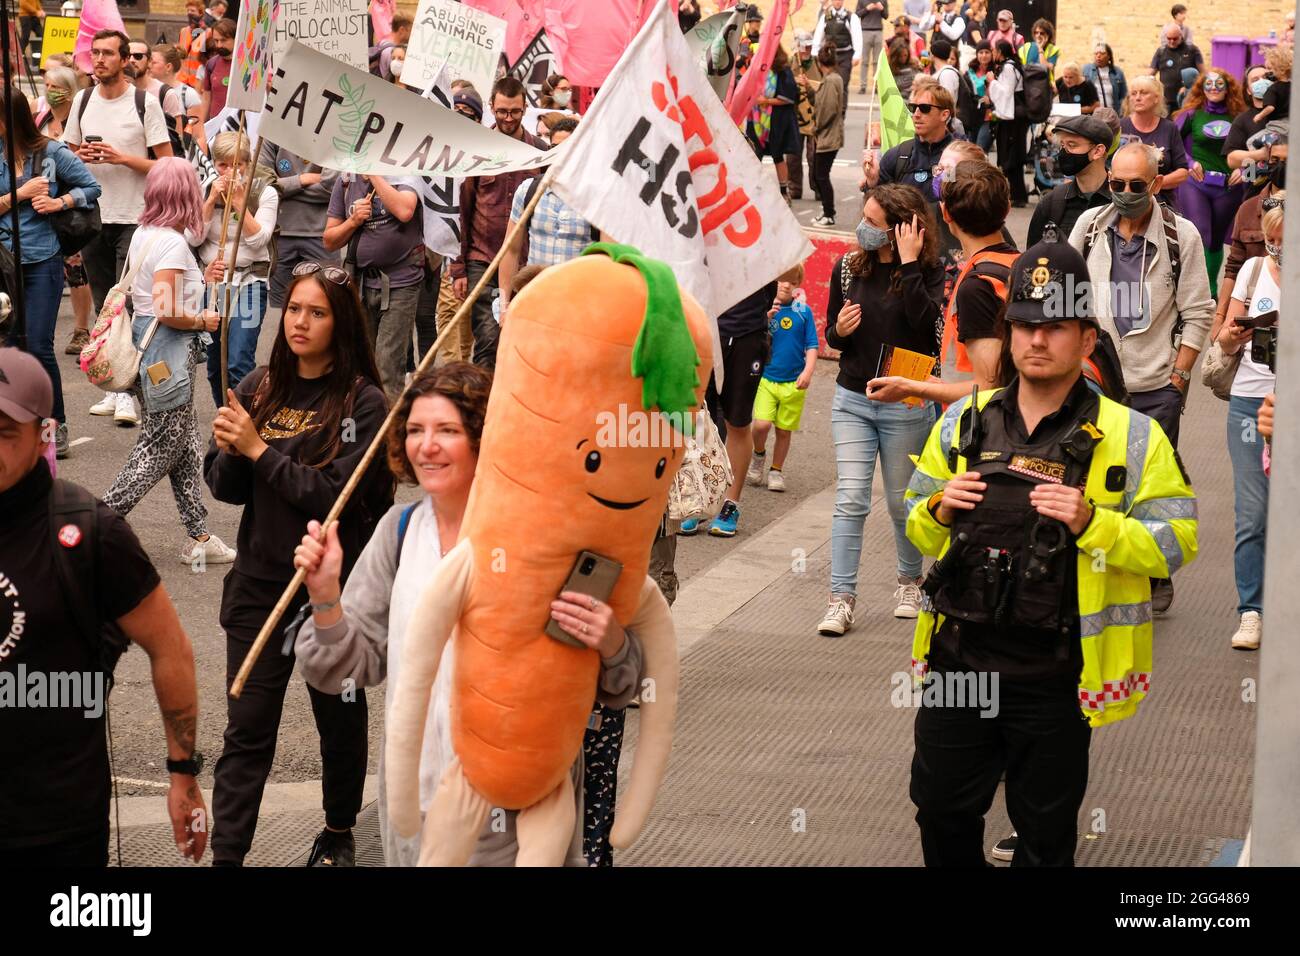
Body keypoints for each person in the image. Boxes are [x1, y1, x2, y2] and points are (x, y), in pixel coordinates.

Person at [904, 240, 1198, 867]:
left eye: (1054, 327)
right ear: (1009, 336)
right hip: (960, 665)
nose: (1037, 341)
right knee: (941, 811)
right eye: (1025, 326)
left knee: (1044, 835)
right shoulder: (963, 420)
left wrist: (1098, 525)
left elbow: (1176, 544)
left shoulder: (1132, 435)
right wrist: (937, 509)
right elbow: (917, 526)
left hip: (1057, 678)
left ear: (1087, 340)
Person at [293, 362, 647, 866]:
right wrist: (325, 596)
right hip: (417, 806)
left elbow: (621, 681)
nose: (426, 446)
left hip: (519, 811)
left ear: (485, 439)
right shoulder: (400, 532)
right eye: (415, 430)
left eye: (447, 431)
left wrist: (610, 640)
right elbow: (348, 670)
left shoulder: (543, 537)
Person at [204, 263, 394, 867]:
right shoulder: (262, 385)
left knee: (337, 728)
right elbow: (224, 487)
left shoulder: (365, 402)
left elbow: (329, 497)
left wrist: (258, 450)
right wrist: (233, 448)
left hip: (327, 600)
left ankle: (339, 835)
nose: (301, 323)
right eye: (294, 310)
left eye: (317, 312)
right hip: (258, 591)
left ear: (341, 323)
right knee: (246, 734)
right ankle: (226, 857)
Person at [0, 347, 210, 866]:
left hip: (56, 825)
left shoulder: (91, 533)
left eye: (5, 432)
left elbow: (172, 650)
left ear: (44, 433)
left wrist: (182, 774)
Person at [1070, 142, 1215, 612]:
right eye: (1117, 184)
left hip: (1156, 385)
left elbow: (1198, 313)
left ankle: (1156, 573)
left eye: (1137, 185)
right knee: (1092, 476)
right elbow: (1062, 297)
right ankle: (1094, 567)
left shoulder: (1182, 235)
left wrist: (1177, 379)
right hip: (1094, 383)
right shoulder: (1088, 228)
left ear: (1155, 184)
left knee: (1150, 485)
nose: (1126, 193)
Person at [817, 184, 943, 637]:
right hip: (852, 398)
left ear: (902, 230)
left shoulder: (929, 270)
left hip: (905, 399)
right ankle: (841, 598)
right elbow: (832, 336)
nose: (863, 229)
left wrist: (909, 263)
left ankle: (909, 582)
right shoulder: (849, 267)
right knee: (850, 497)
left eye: (873, 223)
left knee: (899, 501)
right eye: (864, 218)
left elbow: (926, 328)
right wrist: (840, 330)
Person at [100, 158, 232, 561]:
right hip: (168, 355)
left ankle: (201, 537)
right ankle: (96, 522)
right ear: (185, 194)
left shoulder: (147, 232)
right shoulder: (173, 243)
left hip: (151, 351)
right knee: (159, 449)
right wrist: (203, 319)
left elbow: (157, 293)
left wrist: (203, 278)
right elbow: (165, 308)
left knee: (186, 446)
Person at [64, 29, 174, 428]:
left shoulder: (144, 103)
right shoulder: (83, 99)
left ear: (125, 59)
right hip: (94, 216)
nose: (99, 59)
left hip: (135, 218)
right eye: (95, 53)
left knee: (127, 305)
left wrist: (122, 158)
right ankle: (115, 387)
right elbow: (66, 153)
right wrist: (84, 154)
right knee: (102, 303)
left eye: (108, 53)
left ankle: (129, 392)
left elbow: (166, 164)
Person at [0, 86, 100, 459]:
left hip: (42, 259)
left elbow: (92, 187)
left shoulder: (51, 152)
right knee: (9, 347)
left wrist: (60, 200)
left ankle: (54, 424)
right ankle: (15, 425)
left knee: (38, 345)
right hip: (3, 263)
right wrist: (20, 195)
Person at [868, 161, 1016, 407]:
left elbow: (988, 387)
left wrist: (911, 387)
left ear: (945, 213)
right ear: (1007, 209)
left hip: (981, 427)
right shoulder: (1018, 263)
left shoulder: (977, 287)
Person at [1209, 196, 1282, 652]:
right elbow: (1223, 338)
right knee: (1252, 513)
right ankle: (1251, 611)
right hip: (1249, 402)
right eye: (1272, 242)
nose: (1279, 250)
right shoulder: (1254, 272)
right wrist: (1233, 337)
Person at [449, 76, 545, 371]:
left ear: (524, 108)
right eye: (502, 111)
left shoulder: (540, 152)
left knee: (522, 342)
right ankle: (485, 411)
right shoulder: (476, 150)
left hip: (526, 265)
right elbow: (461, 211)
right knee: (488, 340)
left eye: (515, 112)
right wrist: (459, 267)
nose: (508, 118)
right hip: (483, 260)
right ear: (492, 107)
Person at [194, 131, 280, 409]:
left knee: (238, 360)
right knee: (215, 362)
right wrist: (210, 203)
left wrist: (240, 203)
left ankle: (246, 421)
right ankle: (224, 415)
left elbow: (259, 240)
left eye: (238, 164)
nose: (231, 171)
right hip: (215, 281)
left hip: (250, 280)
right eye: (223, 165)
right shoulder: (204, 188)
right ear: (214, 163)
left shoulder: (264, 192)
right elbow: (193, 238)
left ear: (247, 164)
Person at [324, 170, 424, 401]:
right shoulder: (346, 180)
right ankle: (367, 426)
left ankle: (389, 434)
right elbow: (329, 240)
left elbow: (405, 211)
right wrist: (353, 221)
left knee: (387, 366)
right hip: (360, 284)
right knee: (362, 364)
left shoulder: (404, 175)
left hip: (401, 282)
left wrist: (375, 175)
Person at [33, 67, 97, 359]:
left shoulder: (79, 117)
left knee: (75, 268)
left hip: (69, 203)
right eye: (46, 84)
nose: (50, 89)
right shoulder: (40, 119)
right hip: (41, 203)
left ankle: (82, 328)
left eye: (55, 85)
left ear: (69, 90)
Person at [499, 119, 591, 307]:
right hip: (535, 302)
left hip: (578, 307)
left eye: (568, 149)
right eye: (555, 148)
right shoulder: (528, 191)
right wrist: (504, 305)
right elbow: (511, 250)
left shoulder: (596, 198)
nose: (561, 156)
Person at [1173, 69, 1246, 297]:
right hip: (1197, 183)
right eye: (1209, 84)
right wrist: (1189, 162)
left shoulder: (1240, 117)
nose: (1214, 88)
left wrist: (1246, 170)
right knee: (1200, 233)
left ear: (1228, 88)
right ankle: (1198, 291)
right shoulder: (1191, 115)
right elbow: (1171, 141)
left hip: (1229, 187)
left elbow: (1260, 152)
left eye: (1219, 84)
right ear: (1202, 88)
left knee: (1216, 240)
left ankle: (1211, 288)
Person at [747, 264, 818, 493]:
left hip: (793, 382)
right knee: (761, 425)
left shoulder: (803, 311)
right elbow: (751, 338)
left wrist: (807, 372)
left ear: (797, 284)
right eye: (781, 279)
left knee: (784, 430)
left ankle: (776, 470)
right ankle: (758, 454)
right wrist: (765, 319)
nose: (786, 284)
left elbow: (812, 346)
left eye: (791, 281)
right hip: (766, 379)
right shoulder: (764, 309)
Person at [1027, 114, 1114, 247]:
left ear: (1098, 151)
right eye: (1062, 145)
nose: (1064, 152)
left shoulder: (1121, 200)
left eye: (1072, 145)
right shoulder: (1052, 203)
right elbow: (1033, 260)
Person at [862, 81, 954, 197]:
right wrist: (872, 182)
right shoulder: (896, 156)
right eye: (913, 108)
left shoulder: (960, 157)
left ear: (944, 115)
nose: (916, 114)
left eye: (924, 108)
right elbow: (879, 205)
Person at [1120, 75, 1189, 210]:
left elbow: (1182, 172)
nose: (1137, 97)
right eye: (1133, 94)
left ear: (1156, 98)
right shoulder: (1120, 127)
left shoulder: (1169, 128)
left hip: (1162, 203)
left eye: (1144, 93)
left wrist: (1152, 186)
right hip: (1124, 202)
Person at [748, 46, 801, 201]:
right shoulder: (759, 68)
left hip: (776, 121)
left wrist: (767, 101)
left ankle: (784, 191)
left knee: (777, 155)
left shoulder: (783, 70)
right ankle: (753, 189)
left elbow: (789, 97)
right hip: (757, 119)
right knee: (754, 155)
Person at [809, 43, 846, 227]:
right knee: (820, 174)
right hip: (830, 134)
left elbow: (828, 109)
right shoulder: (834, 78)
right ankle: (826, 211)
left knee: (821, 175)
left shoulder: (831, 81)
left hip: (828, 136)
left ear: (819, 63)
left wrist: (816, 126)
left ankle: (829, 213)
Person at [1224, 65, 1275, 197]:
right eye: (1255, 79)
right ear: (1248, 90)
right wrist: (1261, 154)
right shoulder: (1243, 120)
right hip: (1256, 194)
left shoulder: (1288, 116)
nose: (1262, 82)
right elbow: (1232, 159)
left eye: (1265, 77)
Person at [989, 40, 1028, 206]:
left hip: (1012, 118)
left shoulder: (1008, 68)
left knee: (1012, 155)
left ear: (999, 51)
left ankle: (1018, 195)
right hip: (1013, 117)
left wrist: (992, 81)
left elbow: (1006, 92)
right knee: (1012, 155)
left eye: (994, 51)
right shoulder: (1012, 66)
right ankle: (1016, 193)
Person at [789, 31, 826, 201]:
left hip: (813, 118)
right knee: (793, 156)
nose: (808, 49)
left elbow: (824, 86)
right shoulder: (791, 63)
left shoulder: (817, 63)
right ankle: (794, 188)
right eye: (805, 46)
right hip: (795, 118)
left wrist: (810, 84)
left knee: (814, 157)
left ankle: (818, 188)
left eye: (810, 46)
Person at [151, 44, 205, 155]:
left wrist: (199, 168)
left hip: (178, 157)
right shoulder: (141, 90)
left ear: (168, 67)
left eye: (153, 62)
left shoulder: (188, 94)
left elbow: (199, 136)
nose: (148, 65)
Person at [1149, 21, 1204, 116]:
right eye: (1169, 38)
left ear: (1181, 36)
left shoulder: (1192, 50)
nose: (1171, 41)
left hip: (1187, 100)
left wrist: (1190, 89)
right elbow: (1150, 73)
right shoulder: (1161, 52)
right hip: (1166, 100)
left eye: (1175, 39)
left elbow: (1203, 73)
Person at [813, 0, 863, 96]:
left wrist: (857, 55)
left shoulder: (851, 17)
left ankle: (842, 111)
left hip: (845, 55)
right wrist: (814, 53)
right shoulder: (826, 17)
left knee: (842, 84)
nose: (837, 2)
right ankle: (830, 109)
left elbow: (857, 37)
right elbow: (818, 36)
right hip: (830, 56)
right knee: (827, 84)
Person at [198, 18, 236, 125]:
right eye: (216, 41)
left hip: (239, 130)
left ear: (236, 38)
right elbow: (206, 99)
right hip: (215, 128)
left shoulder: (246, 64)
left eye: (223, 40)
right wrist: (200, 127)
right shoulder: (211, 64)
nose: (218, 45)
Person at [967, 40, 995, 151]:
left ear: (992, 54)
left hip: (988, 117)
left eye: (987, 52)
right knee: (973, 151)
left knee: (980, 149)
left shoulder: (996, 71)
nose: (984, 55)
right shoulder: (969, 71)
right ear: (977, 54)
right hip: (973, 116)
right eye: (981, 52)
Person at [1084, 43, 1128, 114]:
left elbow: (1123, 95)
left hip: (1112, 114)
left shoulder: (1117, 72)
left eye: (1102, 53)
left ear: (1109, 56)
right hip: (1092, 115)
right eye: (1096, 53)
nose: (1098, 56)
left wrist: (1121, 113)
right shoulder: (1086, 70)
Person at [176, 0, 210, 91]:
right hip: (182, 80)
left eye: (192, 11)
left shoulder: (207, 33)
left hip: (197, 82)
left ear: (201, 14)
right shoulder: (183, 31)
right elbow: (181, 54)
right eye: (188, 11)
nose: (189, 13)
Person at [857, 1, 888, 94]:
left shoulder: (883, 1)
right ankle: (863, 86)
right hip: (865, 31)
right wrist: (867, 9)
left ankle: (877, 86)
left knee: (877, 61)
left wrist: (882, 9)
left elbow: (886, 16)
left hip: (878, 32)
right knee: (864, 61)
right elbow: (857, 14)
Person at [1017, 18, 1059, 84]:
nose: (1038, 35)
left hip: (1044, 86)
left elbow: (1045, 68)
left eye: (1041, 33)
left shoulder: (1053, 49)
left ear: (1048, 35)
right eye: (1036, 32)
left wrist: (1040, 48)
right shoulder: (1026, 47)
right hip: (1027, 84)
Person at [887, 35, 918, 101]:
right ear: (895, 56)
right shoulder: (889, 70)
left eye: (905, 55)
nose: (903, 58)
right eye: (900, 56)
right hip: (896, 101)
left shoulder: (914, 66)